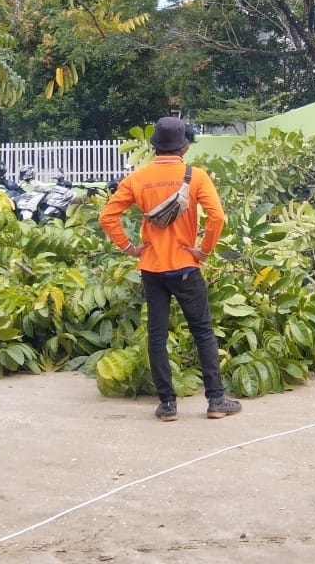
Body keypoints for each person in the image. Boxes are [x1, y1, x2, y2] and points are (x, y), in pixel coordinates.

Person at [99, 117, 242, 421]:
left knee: (156, 335)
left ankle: (167, 405)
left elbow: (107, 217)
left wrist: (129, 248)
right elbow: (217, 218)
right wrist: (203, 251)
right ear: (185, 145)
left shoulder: (137, 178)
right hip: (186, 267)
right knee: (202, 331)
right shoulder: (197, 176)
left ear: (154, 146)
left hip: (152, 268)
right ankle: (216, 400)